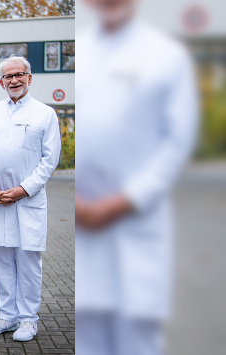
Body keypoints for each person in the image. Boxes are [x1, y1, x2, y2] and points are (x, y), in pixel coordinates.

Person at [76, 1, 197, 354]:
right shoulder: (81, 50)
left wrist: (125, 200)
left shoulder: (166, 55)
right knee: (88, 335)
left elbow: (178, 142)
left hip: (135, 221)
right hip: (84, 224)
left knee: (138, 338)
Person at [0, 55, 61, 341]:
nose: (14, 80)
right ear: (1, 82)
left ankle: (28, 319)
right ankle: (6, 316)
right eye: (8, 77)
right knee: (1, 260)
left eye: (19, 75)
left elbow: (50, 160)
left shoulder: (45, 114)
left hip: (27, 201)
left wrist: (24, 189)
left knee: (28, 262)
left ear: (29, 77)